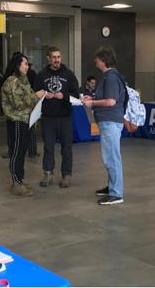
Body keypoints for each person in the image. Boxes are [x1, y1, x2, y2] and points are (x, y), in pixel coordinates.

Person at [83, 46, 125, 205]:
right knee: (110, 156)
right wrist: (92, 97)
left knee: (111, 157)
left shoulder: (111, 77)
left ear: (104, 60)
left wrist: (92, 102)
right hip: (109, 121)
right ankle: (112, 187)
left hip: (110, 121)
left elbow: (111, 101)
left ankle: (116, 193)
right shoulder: (109, 76)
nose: (95, 61)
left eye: (98, 59)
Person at [35, 47, 80, 188]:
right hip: (48, 118)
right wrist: (43, 94)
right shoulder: (41, 75)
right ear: (49, 58)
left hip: (65, 117)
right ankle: (48, 174)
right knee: (48, 147)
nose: (57, 60)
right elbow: (35, 92)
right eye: (54, 57)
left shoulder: (69, 74)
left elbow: (77, 95)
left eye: (59, 57)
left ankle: (66, 175)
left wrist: (64, 96)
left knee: (67, 147)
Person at [1, 53, 45, 197]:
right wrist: (36, 96)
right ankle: (16, 182)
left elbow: (29, 97)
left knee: (22, 151)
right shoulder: (12, 81)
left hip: (26, 120)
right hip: (17, 121)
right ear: (17, 65)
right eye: (25, 63)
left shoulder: (23, 79)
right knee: (17, 152)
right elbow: (18, 104)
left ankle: (20, 179)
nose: (27, 66)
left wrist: (40, 96)